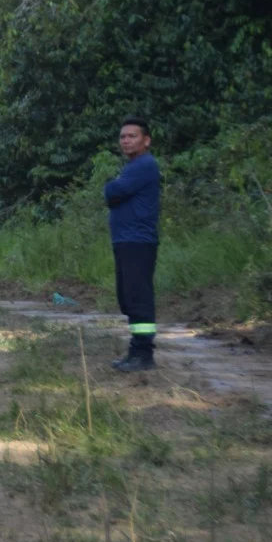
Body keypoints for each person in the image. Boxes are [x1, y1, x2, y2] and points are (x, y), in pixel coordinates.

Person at [105, 118, 161, 372]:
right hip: (127, 240)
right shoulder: (134, 166)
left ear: (146, 140)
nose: (126, 140)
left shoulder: (144, 165)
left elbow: (113, 192)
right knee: (128, 298)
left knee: (138, 299)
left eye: (132, 136)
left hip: (137, 241)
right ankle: (136, 350)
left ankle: (143, 354)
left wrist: (110, 187)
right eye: (123, 136)